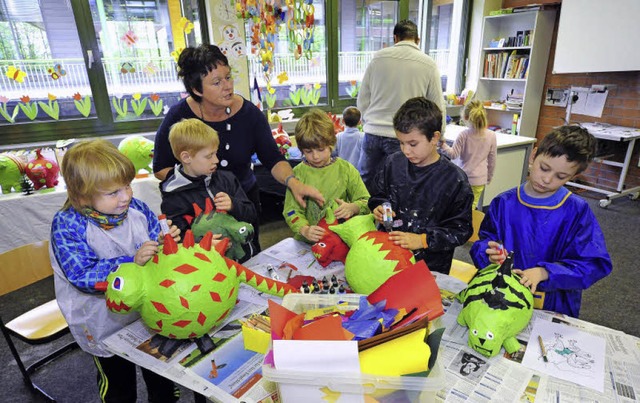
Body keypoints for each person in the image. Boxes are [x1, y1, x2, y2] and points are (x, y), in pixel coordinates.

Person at [152, 44, 324, 251]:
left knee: (247, 253)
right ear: (197, 89)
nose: (227, 86)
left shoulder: (248, 114)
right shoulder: (178, 117)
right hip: (199, 210)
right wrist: (199, 188)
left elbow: (272, 158)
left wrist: (294, 183)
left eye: (228, 77)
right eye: (216, 82)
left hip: (243, 201)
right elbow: (161, 168)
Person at [49, 139, 182, 403]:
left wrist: (167, 244)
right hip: (101, 318)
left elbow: (155, 241)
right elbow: (83, 276)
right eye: (112, 193)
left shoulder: (137, 209)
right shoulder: (67, 224)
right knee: (118, 384)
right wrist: (132, 261)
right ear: (81, 196)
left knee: (160, 372)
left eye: (127, 186)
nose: (125, 196)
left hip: (145, 309)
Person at [469, 125, 612, 318]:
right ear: (533, 155)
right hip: (503, 298)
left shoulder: (577, 212)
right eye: (544, 168)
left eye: (560, 176)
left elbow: (593, 263)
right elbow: (484, 242)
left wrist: (545, 273)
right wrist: (487, 253)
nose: (546, 179)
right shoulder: (504, 203)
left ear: (574, 176)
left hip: (553, 304)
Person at [368, 97, 473, 274]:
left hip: (430, 267)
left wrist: (423, 240)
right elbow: (378, 195)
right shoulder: (393, 164)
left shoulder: (455, 180)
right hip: (388, 259)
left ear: (434, 138)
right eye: (401, 142)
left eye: (413, 144)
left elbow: (460, 230)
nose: (406, 150)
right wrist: (379, 207)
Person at [357, 20, 446, 190]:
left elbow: (363, 99)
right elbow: (437, 104)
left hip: (373, 133)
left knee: (365, 185)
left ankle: (364, 216)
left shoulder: (378, 58)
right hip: (406, 138)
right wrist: (439, 135)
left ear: (395, 38)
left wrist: (368, 121)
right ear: (417, 40)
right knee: (399, 187)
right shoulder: (428, 63)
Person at [159, 118, 257, 258]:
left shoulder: (226, 179)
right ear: (186, 158)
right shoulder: (174, 197)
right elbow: (179, 241)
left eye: (215, 153)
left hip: (245, 257)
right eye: (209, 156)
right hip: (208, 266)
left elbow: (251, 214)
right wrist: (202, 244)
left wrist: (233, 205)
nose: (216, 160)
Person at [283, 109, 370, 243]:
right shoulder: (297, 174)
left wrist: (353, 207)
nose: (315, 156)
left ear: (331, 144)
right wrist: (304, 229)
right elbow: (290, 211)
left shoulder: (346, 169)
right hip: (307, 242)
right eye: (308, 151)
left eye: (321, 149)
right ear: (301, 150)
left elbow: (366, 201)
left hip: (340, 241)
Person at [440, 100, 497, 209]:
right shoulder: (491, 135)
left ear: (465, 117)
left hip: (463, 178)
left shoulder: (463, 135)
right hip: (479, 180)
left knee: (458, 206)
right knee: (471, 207)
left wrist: (443, 145)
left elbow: (453, 154)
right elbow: (492, 160)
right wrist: (488, 177)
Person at [335, 106, 364, 170]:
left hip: (341, 171)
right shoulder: (363, 137)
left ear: (343, 121)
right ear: (359, 122)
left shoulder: (338, 137)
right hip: (357, 172)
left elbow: (333, 155)